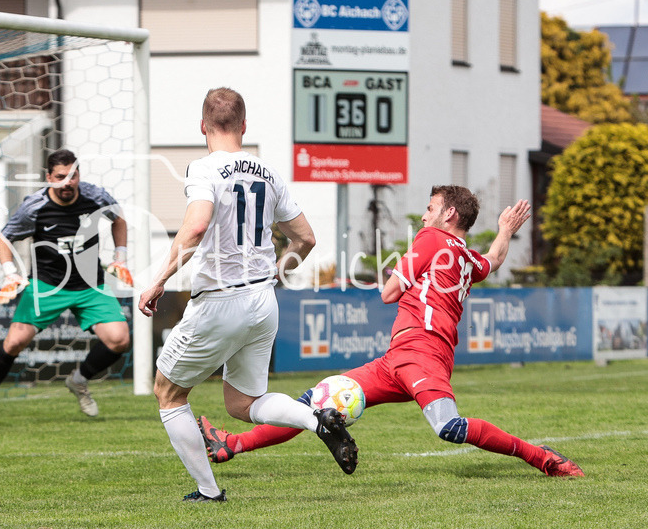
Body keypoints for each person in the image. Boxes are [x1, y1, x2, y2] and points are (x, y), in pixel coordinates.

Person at [199, 186, 585, 478]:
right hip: (398, 360)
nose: (423, 216)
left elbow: (389, 293)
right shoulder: (467, 257)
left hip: (421, 354)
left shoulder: (433, 238)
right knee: (313, 405)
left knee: (449, 427)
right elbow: (495, 259)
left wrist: (402, 272)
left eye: (430, 208)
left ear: (448, 214)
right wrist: (505, 229)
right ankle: (229, 445)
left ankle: (542, 457)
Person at [138, 87, 358, 504]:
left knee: (168, 393)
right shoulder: (268, 173)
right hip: (263, 301)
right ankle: (319, 420)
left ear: (203, 126)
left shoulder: (203, 169)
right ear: (244, 126)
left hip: (221, 301)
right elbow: (306, 239)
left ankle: (208, 491)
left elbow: (197, 225)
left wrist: (160, 278)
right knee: (244, 403)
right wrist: (276, 272)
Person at [0, 149, 133, 424]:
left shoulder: (95, 196)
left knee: (120, 339)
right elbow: (4, 239)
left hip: (89, 284)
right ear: (49, 177)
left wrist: (120, 258)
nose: (67, 182)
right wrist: (11, 274)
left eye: (73, 176)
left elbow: (118, 219)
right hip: (47, 285)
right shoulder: (34, 206)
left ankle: (79, 381)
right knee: (14, 342)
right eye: (60, 177)